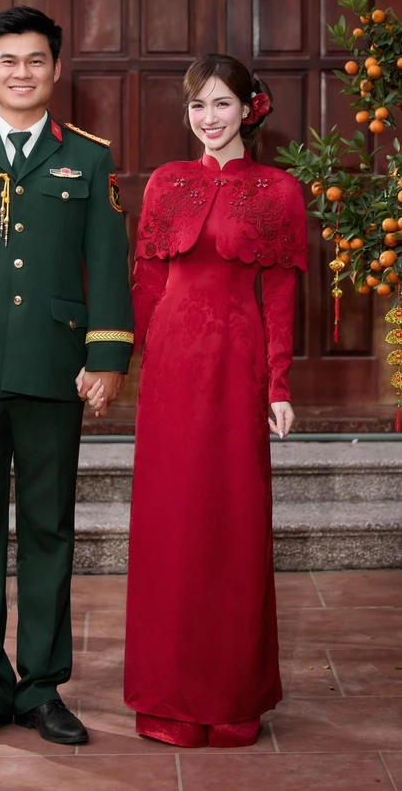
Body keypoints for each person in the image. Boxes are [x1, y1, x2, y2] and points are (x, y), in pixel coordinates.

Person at [0, 5, 134, 749]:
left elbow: (107, 264)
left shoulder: (89, 158)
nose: (21, 72)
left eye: (36, 60)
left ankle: (40, 688)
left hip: (54, 368)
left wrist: (107, 358)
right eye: (7, 60)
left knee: (48, 530)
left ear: (56, 69)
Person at [117, 53, 308, 749]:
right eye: (198, 104)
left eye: (222, 103)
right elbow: (145, 283)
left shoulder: (279, 190)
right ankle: (166, 698)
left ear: (250, 109)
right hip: (171, 368)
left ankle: (231, 699)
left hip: (236, 363)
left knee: (232, 523)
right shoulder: (166, 183)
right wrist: (115, 364)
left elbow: (280, 293)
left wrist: (278, 384)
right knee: (168, 523)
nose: (209, 117)